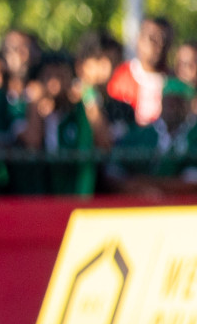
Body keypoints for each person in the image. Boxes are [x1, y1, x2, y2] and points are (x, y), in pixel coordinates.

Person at [15, 51, 106, 196]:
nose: (55, 84)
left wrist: (88, 95)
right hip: (39, 198)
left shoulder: (81, 113)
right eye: (49, 77)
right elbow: (33, 140)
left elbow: (104, 142)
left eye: (61, 76)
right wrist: (35, 103)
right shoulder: (24, 110)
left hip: (76, 197)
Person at [107, 16, 173, 125]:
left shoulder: (175, 82)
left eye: (164, 39)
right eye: (153, 38)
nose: (160, 45)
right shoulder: (120, 77)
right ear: (139, 40)